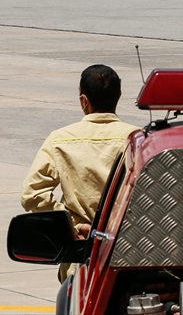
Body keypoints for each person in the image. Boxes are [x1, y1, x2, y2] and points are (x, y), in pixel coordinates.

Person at [22, 65, 140, 281]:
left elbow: (33, 195)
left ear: (84, 100)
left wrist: (74, 226)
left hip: (82, 258)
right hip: (131, 253)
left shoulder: (59, 139)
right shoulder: (139, 139)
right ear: (119, 96)